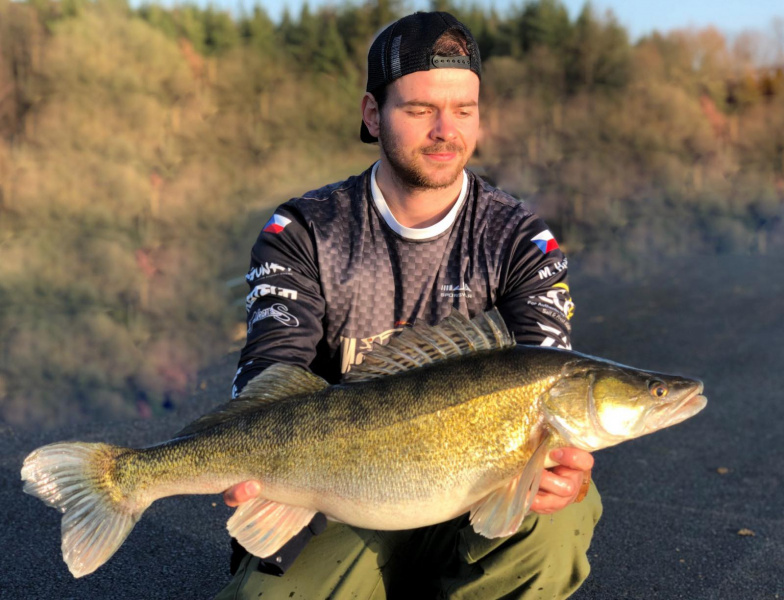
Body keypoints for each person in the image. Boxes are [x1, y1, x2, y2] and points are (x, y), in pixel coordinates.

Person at [214, 11, 601, 600]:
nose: (446, 130)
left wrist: (566, 473)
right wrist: (245, 460)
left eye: (464, 110)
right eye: (421, 110)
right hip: (334, 496)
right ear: (373, 114)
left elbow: (547, 375)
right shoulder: (304, 230)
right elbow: (272, 375)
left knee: (558, 519)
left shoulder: (519, 239)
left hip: (475, 495)